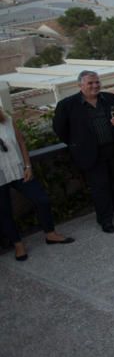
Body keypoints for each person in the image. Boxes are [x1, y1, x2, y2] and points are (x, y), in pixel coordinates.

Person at [53, 70, 114, 233]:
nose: (95, 85)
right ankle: (105, 220)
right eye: (90, 83)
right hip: (91, 154)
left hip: (113, 149)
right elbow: (60, 130)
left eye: (97, 82)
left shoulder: (109, 98)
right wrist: (77, 144)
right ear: (80, 85)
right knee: (99, 188)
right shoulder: (67, 105)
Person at [1, 108, 74, 260]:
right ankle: (18, 245)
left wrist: (28, 166)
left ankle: (50, 234)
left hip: (18, 169)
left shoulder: (6, 119)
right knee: (4, 212)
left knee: (42, 200)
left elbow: (21, 142)